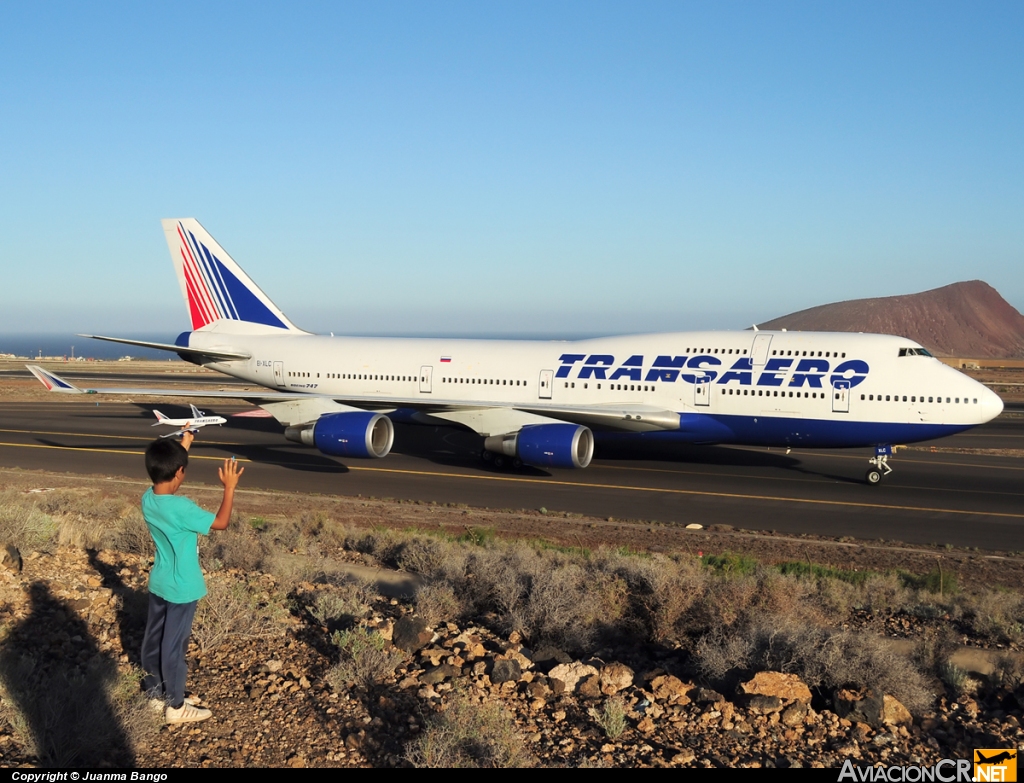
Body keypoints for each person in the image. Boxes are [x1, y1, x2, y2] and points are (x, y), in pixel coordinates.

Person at [140, 430, 243, 724]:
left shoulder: (148, 499)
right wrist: (230, 488)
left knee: (154, 640)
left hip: (159, 582)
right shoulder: (182, 508)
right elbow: (221, 522)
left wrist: (183, 446)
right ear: (180, 472)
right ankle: (176, 705)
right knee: (174, 647)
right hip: (183, 588)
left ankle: (154, 694)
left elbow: (167, 473)